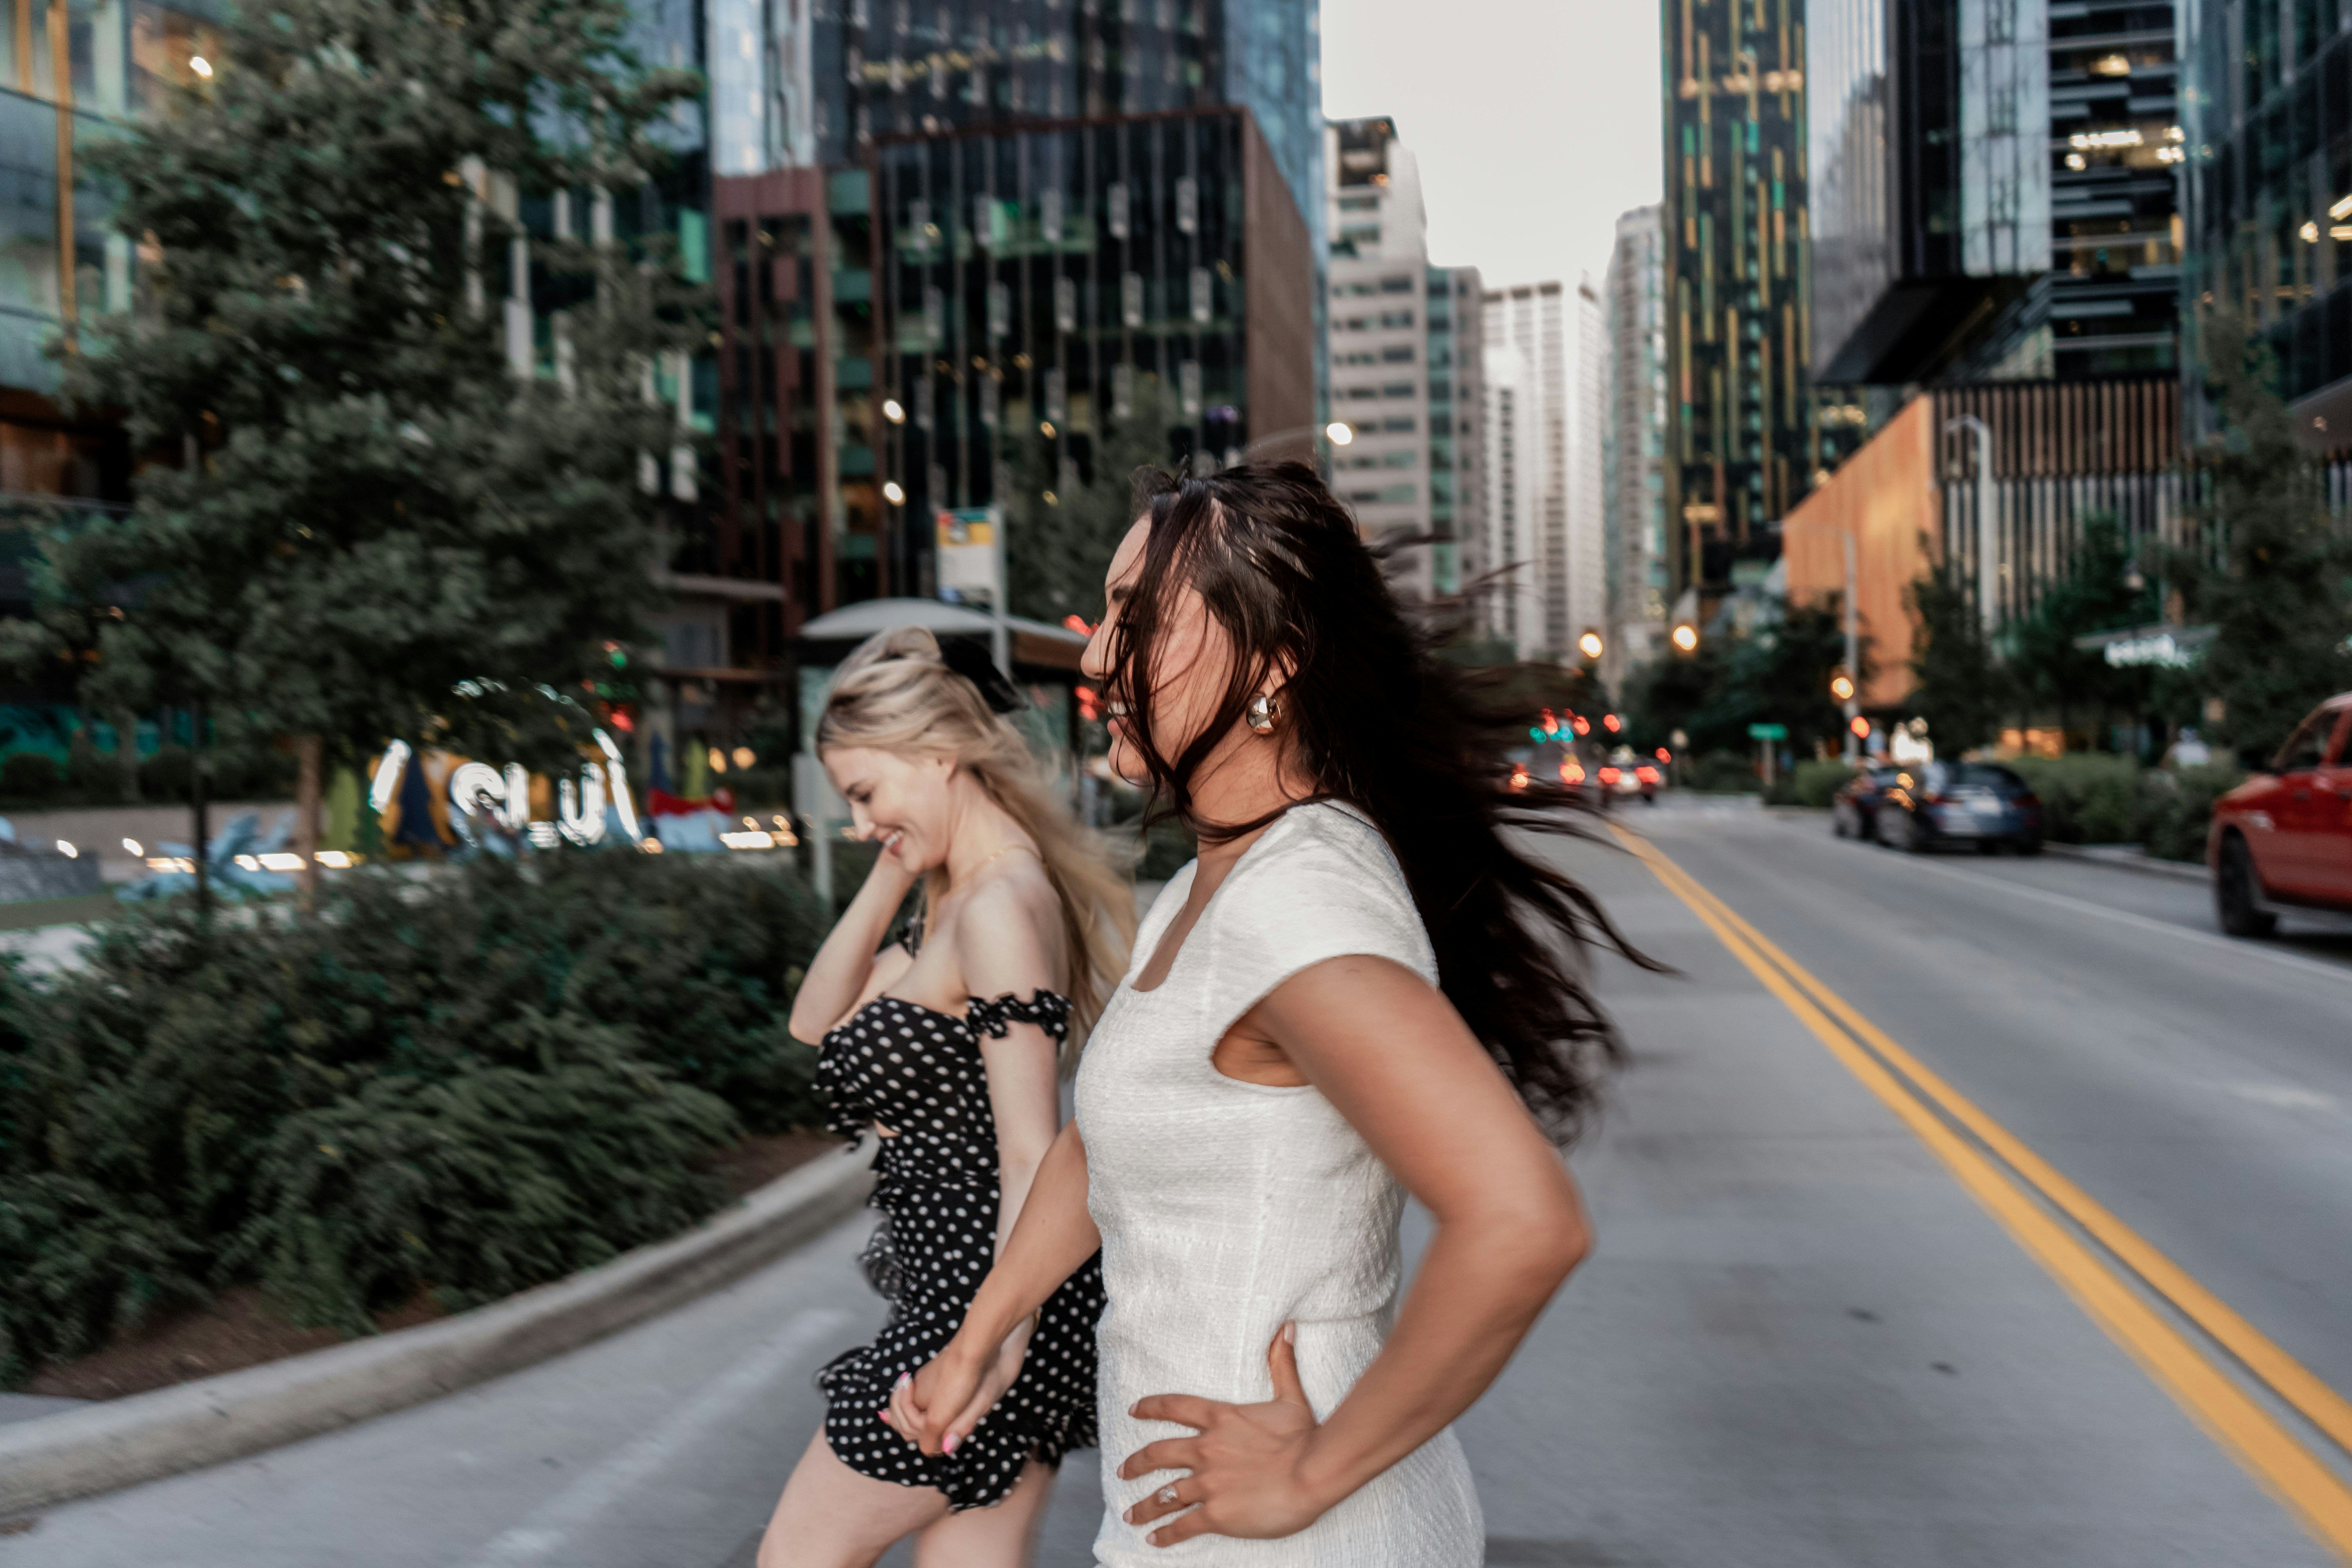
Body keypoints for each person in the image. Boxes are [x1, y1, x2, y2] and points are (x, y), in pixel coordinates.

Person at [887, 463, 1642, 1564]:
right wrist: (985, 1333)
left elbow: (1526, 1220)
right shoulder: (1212, 884)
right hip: (1190, 1518)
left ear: (1273, 665)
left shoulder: (1294, 901)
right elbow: (1110, 1137)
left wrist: (1305, 1481)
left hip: (1288, 1535)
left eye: (1135, 621)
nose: (1097, 652)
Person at [756, 626, 1135, 1568]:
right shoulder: (956, 900)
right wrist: (894, 851)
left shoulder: (1001, 906)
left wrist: (993, 1344)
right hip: (970, 1300)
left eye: (865, 792)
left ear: (938, 752)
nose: (856, 818)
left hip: (979, 1305)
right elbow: (815, 1018)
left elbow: (1031, 1152)